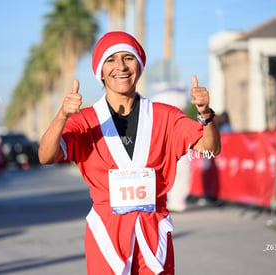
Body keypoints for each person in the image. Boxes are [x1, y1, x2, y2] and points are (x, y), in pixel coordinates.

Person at [38, 31, 221, 275]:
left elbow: (210, 148)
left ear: (140, 66)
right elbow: (45, 156)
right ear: (101, 71)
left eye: (128, 58)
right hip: (107, 235)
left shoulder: (165, 116)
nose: (121, 66)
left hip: (153, 233)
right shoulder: (86, 121)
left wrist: (205, 114)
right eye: (111, 60)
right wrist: (62, 115)